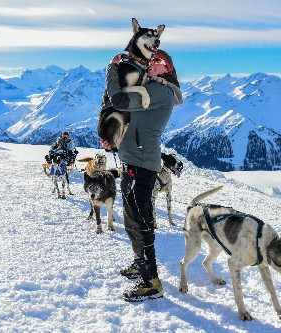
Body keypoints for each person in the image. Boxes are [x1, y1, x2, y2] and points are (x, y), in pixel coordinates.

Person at [100, 50, 181, 302]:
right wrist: (114, 139)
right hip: (135, 160)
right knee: (135, 217)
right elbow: (130, 119)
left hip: (141, 164)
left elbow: (119, 100)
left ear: (168, 69)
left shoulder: (159, 91)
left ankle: (151, 281)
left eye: (161, 61)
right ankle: (141, 264)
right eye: (153, 59)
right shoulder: (150, 87)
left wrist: (112, 71)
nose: (154, 62)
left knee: (139, 220)